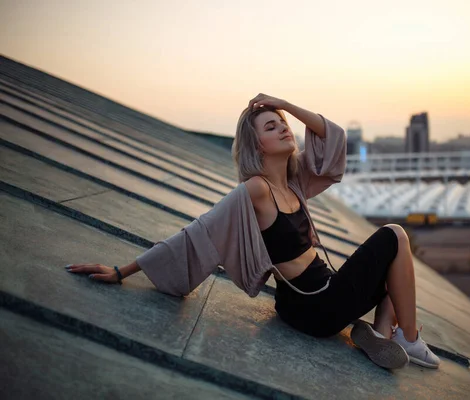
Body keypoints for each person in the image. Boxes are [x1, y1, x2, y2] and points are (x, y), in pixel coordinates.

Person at [65, 93, 440, 370]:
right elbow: (198, 232)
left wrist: (284, 104)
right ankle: (407, 336)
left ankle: (380, 330)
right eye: (271, 127)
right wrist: (121, 271)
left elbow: (333, 138)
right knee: (394, 236)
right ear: (257, 144)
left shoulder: (296, 181)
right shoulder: (255, 190)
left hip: (316, 295)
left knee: (396, 269)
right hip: (314, 305)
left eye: (284, 124)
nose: (283, 129)